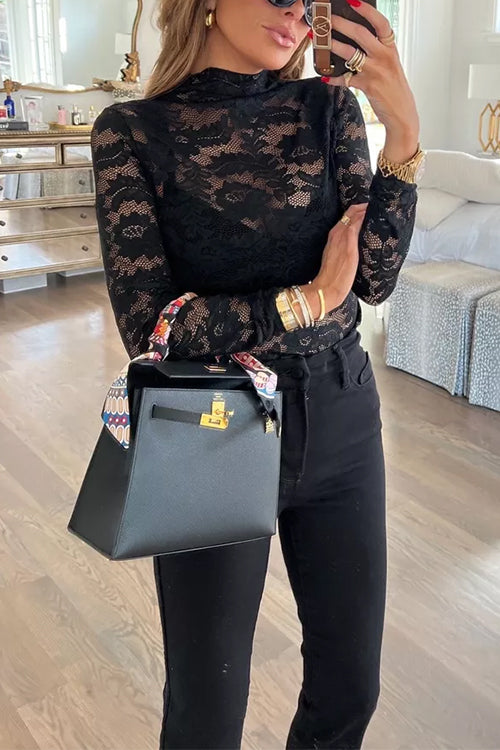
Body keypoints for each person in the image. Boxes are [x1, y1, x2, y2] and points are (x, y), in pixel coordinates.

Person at [91, 0, 421, 747]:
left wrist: (403, 135)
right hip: (207, 426)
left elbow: (372, 280)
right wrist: (307, 301)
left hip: (340, 410)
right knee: (206, 711)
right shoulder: (131, 131)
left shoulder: (330, 109)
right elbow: (151, 326)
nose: (296, 16)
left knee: (351, 685)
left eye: (311, 4)